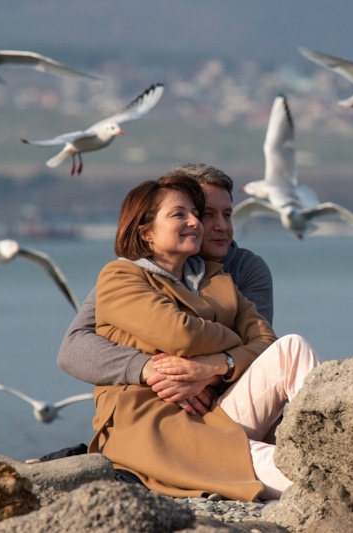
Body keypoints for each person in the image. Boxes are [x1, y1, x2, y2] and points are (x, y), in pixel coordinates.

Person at [88, 171, 320, 501]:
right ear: (147, 232)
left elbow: (267, 342)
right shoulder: (120, 276)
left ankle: (337, 440)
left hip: (214, 412)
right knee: (309, 479)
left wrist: (218, 365)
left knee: (292, 347)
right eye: (179, 214)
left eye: (196, 214)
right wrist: (236, 341)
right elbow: (181, 334)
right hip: (160, 428)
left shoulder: (216, 276)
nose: (196, 223)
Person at [58, 163, 273, 416]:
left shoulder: (244, 268)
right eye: (206, 214)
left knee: (293, 349)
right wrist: (151, 369)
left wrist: (206, 374)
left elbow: (262, 351)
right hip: (160, 405)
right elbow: (74, 349)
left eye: (227, 214)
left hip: (232, 399)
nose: (221, 226)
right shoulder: (133, 273)